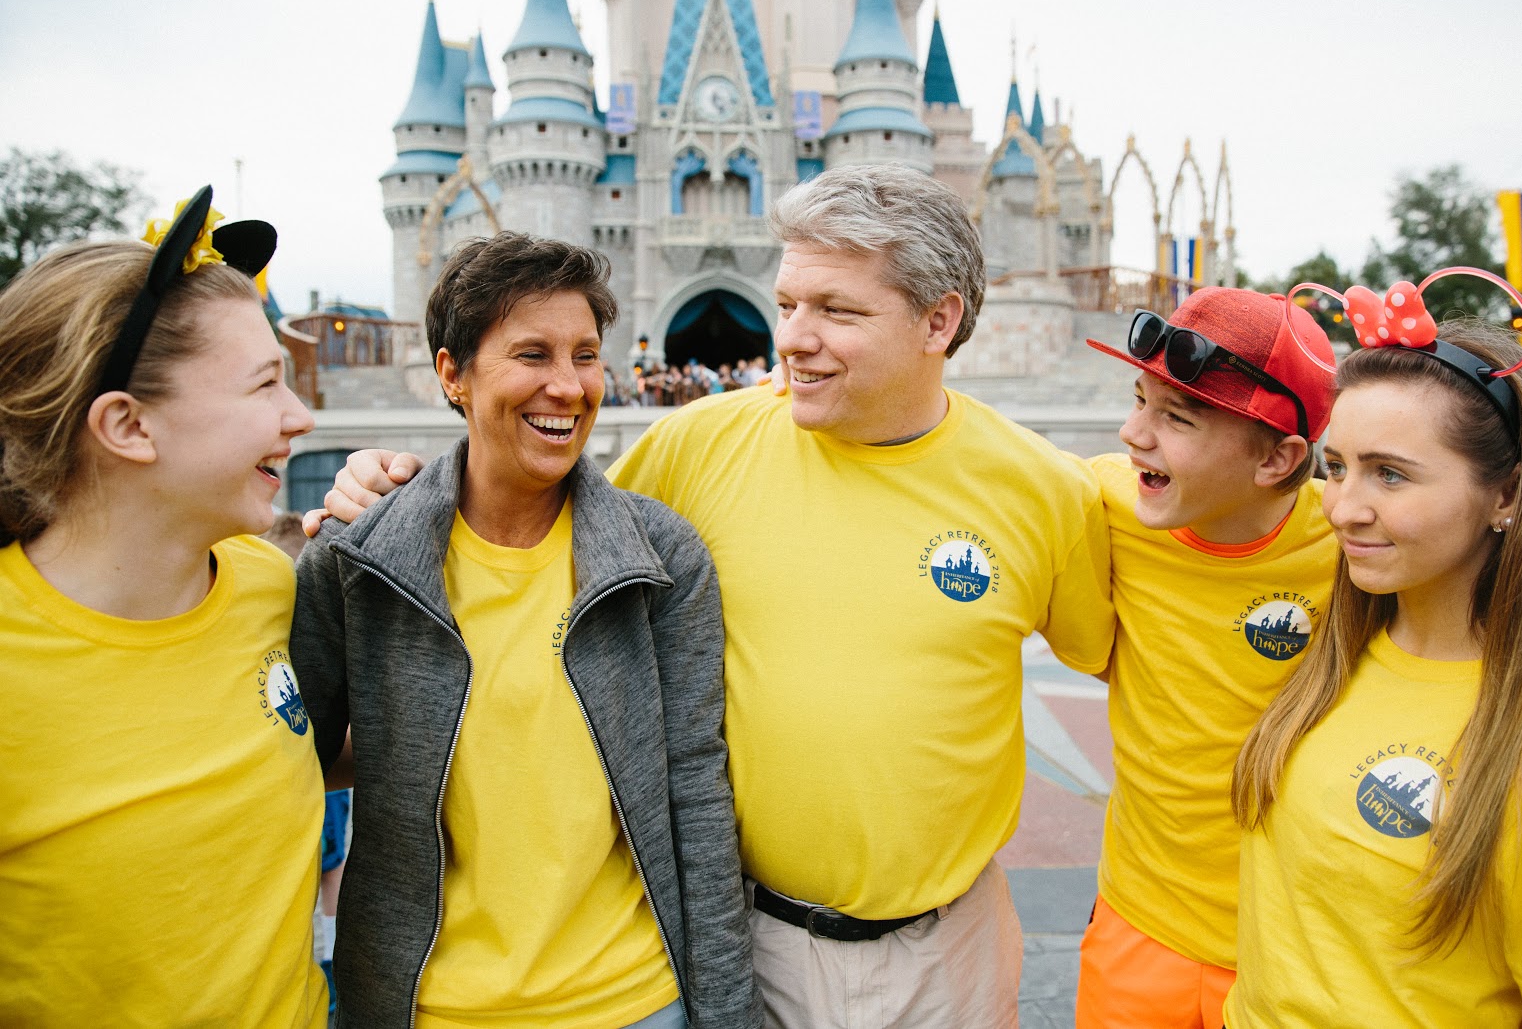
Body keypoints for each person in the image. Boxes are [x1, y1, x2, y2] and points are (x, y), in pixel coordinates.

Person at [308, 165, 1115, 1028]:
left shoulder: (1044, 492)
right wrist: (390, 489)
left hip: (947, 953)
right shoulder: (697, 446)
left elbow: (1150, 677)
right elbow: (537, 505)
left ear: (939, 319)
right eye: (788, 303)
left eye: (836, 310)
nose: (795, 338)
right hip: (748, 937)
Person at [289, 232, 759, 1029]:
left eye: (585, 354)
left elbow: (697, 804)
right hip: (434, 1008)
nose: (568, 386)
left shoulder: (663, 559)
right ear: (452, 374)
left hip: (634, 1003)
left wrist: (726, 1014)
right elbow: (289, 770)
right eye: (533, 354)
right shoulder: (360, 560)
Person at [1226, 273, 1522, 1028]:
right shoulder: (1340, 645)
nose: (1342, 508)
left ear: (1508, 494)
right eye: (1337, 467)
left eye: (1390, 473)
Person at [0, 188, 327, 1024]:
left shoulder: (266, 584)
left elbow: (320, 747)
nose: (300, 417)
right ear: (129, 426)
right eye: (265, 385)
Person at [1071, 286, 1340, 1029]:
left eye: (1176, 417)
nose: (1134, 435)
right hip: (1137, 927)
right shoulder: (1100, 501)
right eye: (1138, 399)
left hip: (1290, 950)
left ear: (1278, 457)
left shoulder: (1354, 546)